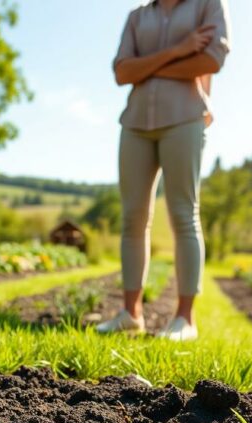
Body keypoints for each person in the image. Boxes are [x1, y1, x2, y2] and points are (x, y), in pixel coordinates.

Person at [96, 0, 231, 341]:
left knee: (184, 214)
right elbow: (121, 73)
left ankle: (185, 319)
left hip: (185, 118)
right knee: (133, 218)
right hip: (136, 123)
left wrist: (148, 67)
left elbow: (212, 60)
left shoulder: (208, 5)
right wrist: (179, 50)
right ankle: (131, 313)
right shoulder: (137, 17)